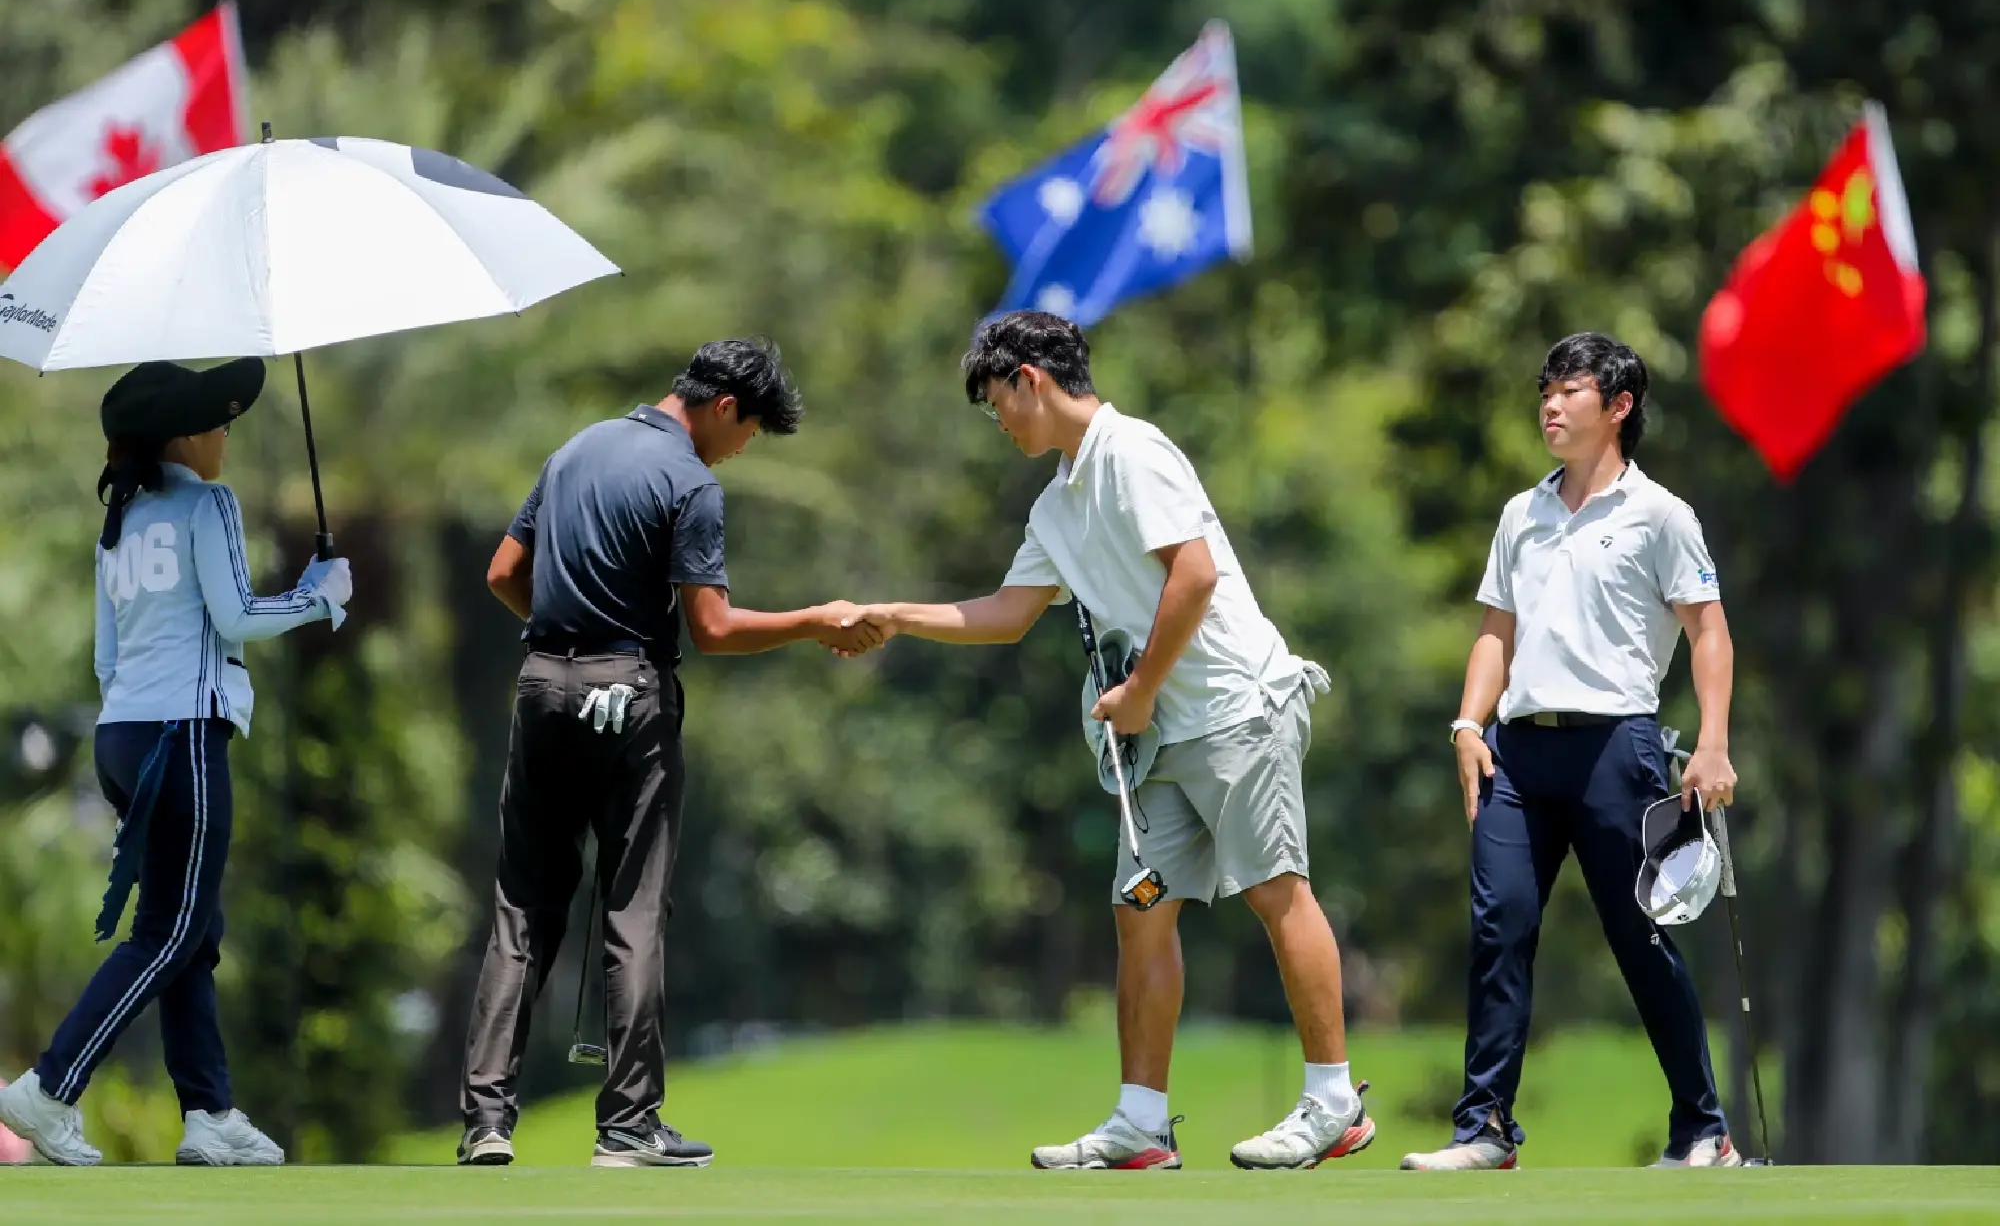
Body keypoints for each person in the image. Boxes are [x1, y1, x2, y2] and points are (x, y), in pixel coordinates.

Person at [845, 310, 1370, 1171]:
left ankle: (1333, 1100)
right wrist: (894, 616)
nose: (1000, 423)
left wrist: (1139, 690)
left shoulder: (1135, 452)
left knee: (1277, 891)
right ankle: (1142, 1122)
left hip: (1239, 707)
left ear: (1031, 379)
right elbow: (1009, 614)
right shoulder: (1057, 503)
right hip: (1161, 730)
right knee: (1139, 906)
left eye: (997, 404)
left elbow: (1193, 573)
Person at [457, 337, 882, 1171]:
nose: (743, 448)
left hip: (542, 682)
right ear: (725, 406)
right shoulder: (691, 480)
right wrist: (815, 618)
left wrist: (555, 643)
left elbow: (506, 570)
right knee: (633, 907)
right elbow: (713, 629)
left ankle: (486, 1121)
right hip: (630, 691)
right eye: (750, 430)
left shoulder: (574, 449)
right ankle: (628, 1125)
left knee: (524, 904)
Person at [1401, 332, 1741, 1171]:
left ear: (1618, 406)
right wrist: (1468, 724)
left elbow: (1709, 632)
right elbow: (1495, 630)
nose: (1550, 405)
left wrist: (1713, 744)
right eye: (1545, 390)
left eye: (1570, 390)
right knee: (1500, 926)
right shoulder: (1523, 512)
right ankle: (1484, 1127)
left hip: (1616, 751)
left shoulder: (1661, 515)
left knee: (1643, 937)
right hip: (1517, 753)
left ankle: (1703, 1128)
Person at [0, 359, 353, 1167]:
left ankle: (208, 1110)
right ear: (186, 438)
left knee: (194, 927)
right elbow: (233, 614)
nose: (225, 434)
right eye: (218, 423)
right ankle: (49, 1086)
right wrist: (319, 595)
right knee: (173, 927)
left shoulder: (118, 520)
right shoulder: (208, 503)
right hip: (183, 734)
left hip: (123, 735)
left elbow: (105, 656)